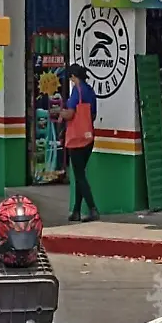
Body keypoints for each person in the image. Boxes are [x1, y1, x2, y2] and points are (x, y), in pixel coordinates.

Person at [58, 63, 100, 221]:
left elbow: (70, 114)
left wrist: (60, 113)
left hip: (76, 140)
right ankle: (76, 211)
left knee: (80, 176)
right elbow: (93, 115)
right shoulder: (90, 90)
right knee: (79, 174)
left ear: (73, 77)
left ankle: (93, 209)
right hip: (88, 138)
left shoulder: (77, 90)